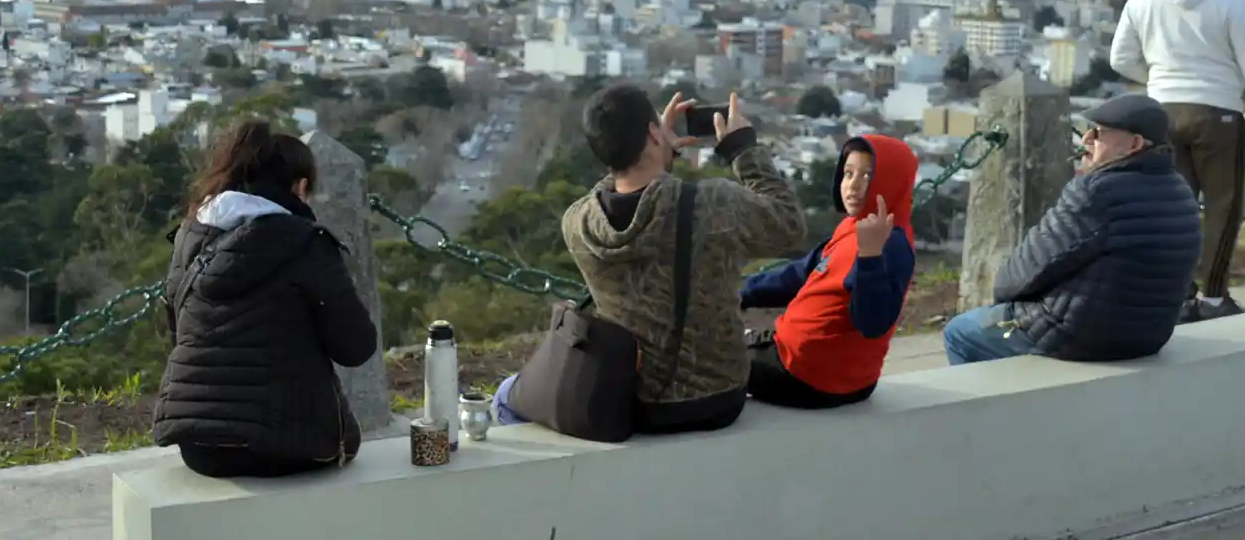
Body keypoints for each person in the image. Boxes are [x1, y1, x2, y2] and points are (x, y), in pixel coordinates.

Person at [493, 86, 804, 434]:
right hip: (716, 398)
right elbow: (789, 226)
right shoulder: (714, 204)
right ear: (654, 133)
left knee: (505, 396)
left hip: (625, 400)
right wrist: (743, 149)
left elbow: (621, 192)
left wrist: (644, 153)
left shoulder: (577, 224)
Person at [153, 121, 378, 478]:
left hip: (199, 447)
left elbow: (178, 330)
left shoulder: (189, 235)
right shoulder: (305, 243)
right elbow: (356, 347)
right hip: (291, 445)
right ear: (300, 187)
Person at [943, 94, 1200, 366]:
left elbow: (1019, 274)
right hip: (1149, 336)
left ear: (1134, 144)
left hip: (1077, 336)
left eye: (1099, 133)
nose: (1087, 139)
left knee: (960, 332)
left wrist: (1002, 307)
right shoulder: (1181, 191)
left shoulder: (1095, 192)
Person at [1110, 0, 1245, 320]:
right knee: (1223, 205)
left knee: (1175, 208)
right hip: (1217, 111)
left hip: (1163, 111)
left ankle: (1178, 297)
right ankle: (1214, 299)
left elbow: (1120, 58)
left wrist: (1161, 80)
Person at [740, 134, 918, 408]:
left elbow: (873, 322)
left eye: (867, 176)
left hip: (812, 377)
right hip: (804, 360)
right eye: (848, 174)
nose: (853, 186)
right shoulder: (855, 226)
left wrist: (870, 256)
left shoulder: (890, 245)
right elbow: (804, 272)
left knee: (707, 356)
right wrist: (744, 292)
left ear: (891, 181)